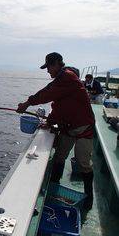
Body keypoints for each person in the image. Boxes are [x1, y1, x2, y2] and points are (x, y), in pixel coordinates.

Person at [16, 52, 95, 210]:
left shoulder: (68, 77)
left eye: (49, 66)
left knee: (83, 163)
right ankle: (54, 187)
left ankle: (89, 198)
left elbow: (47, 94)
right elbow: (58, 105)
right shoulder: (59, 80)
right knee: (59, 156)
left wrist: (27, 104)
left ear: (59, 64)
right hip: (67, 127)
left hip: (82, 127)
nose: (47, 70)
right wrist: (50, 121)